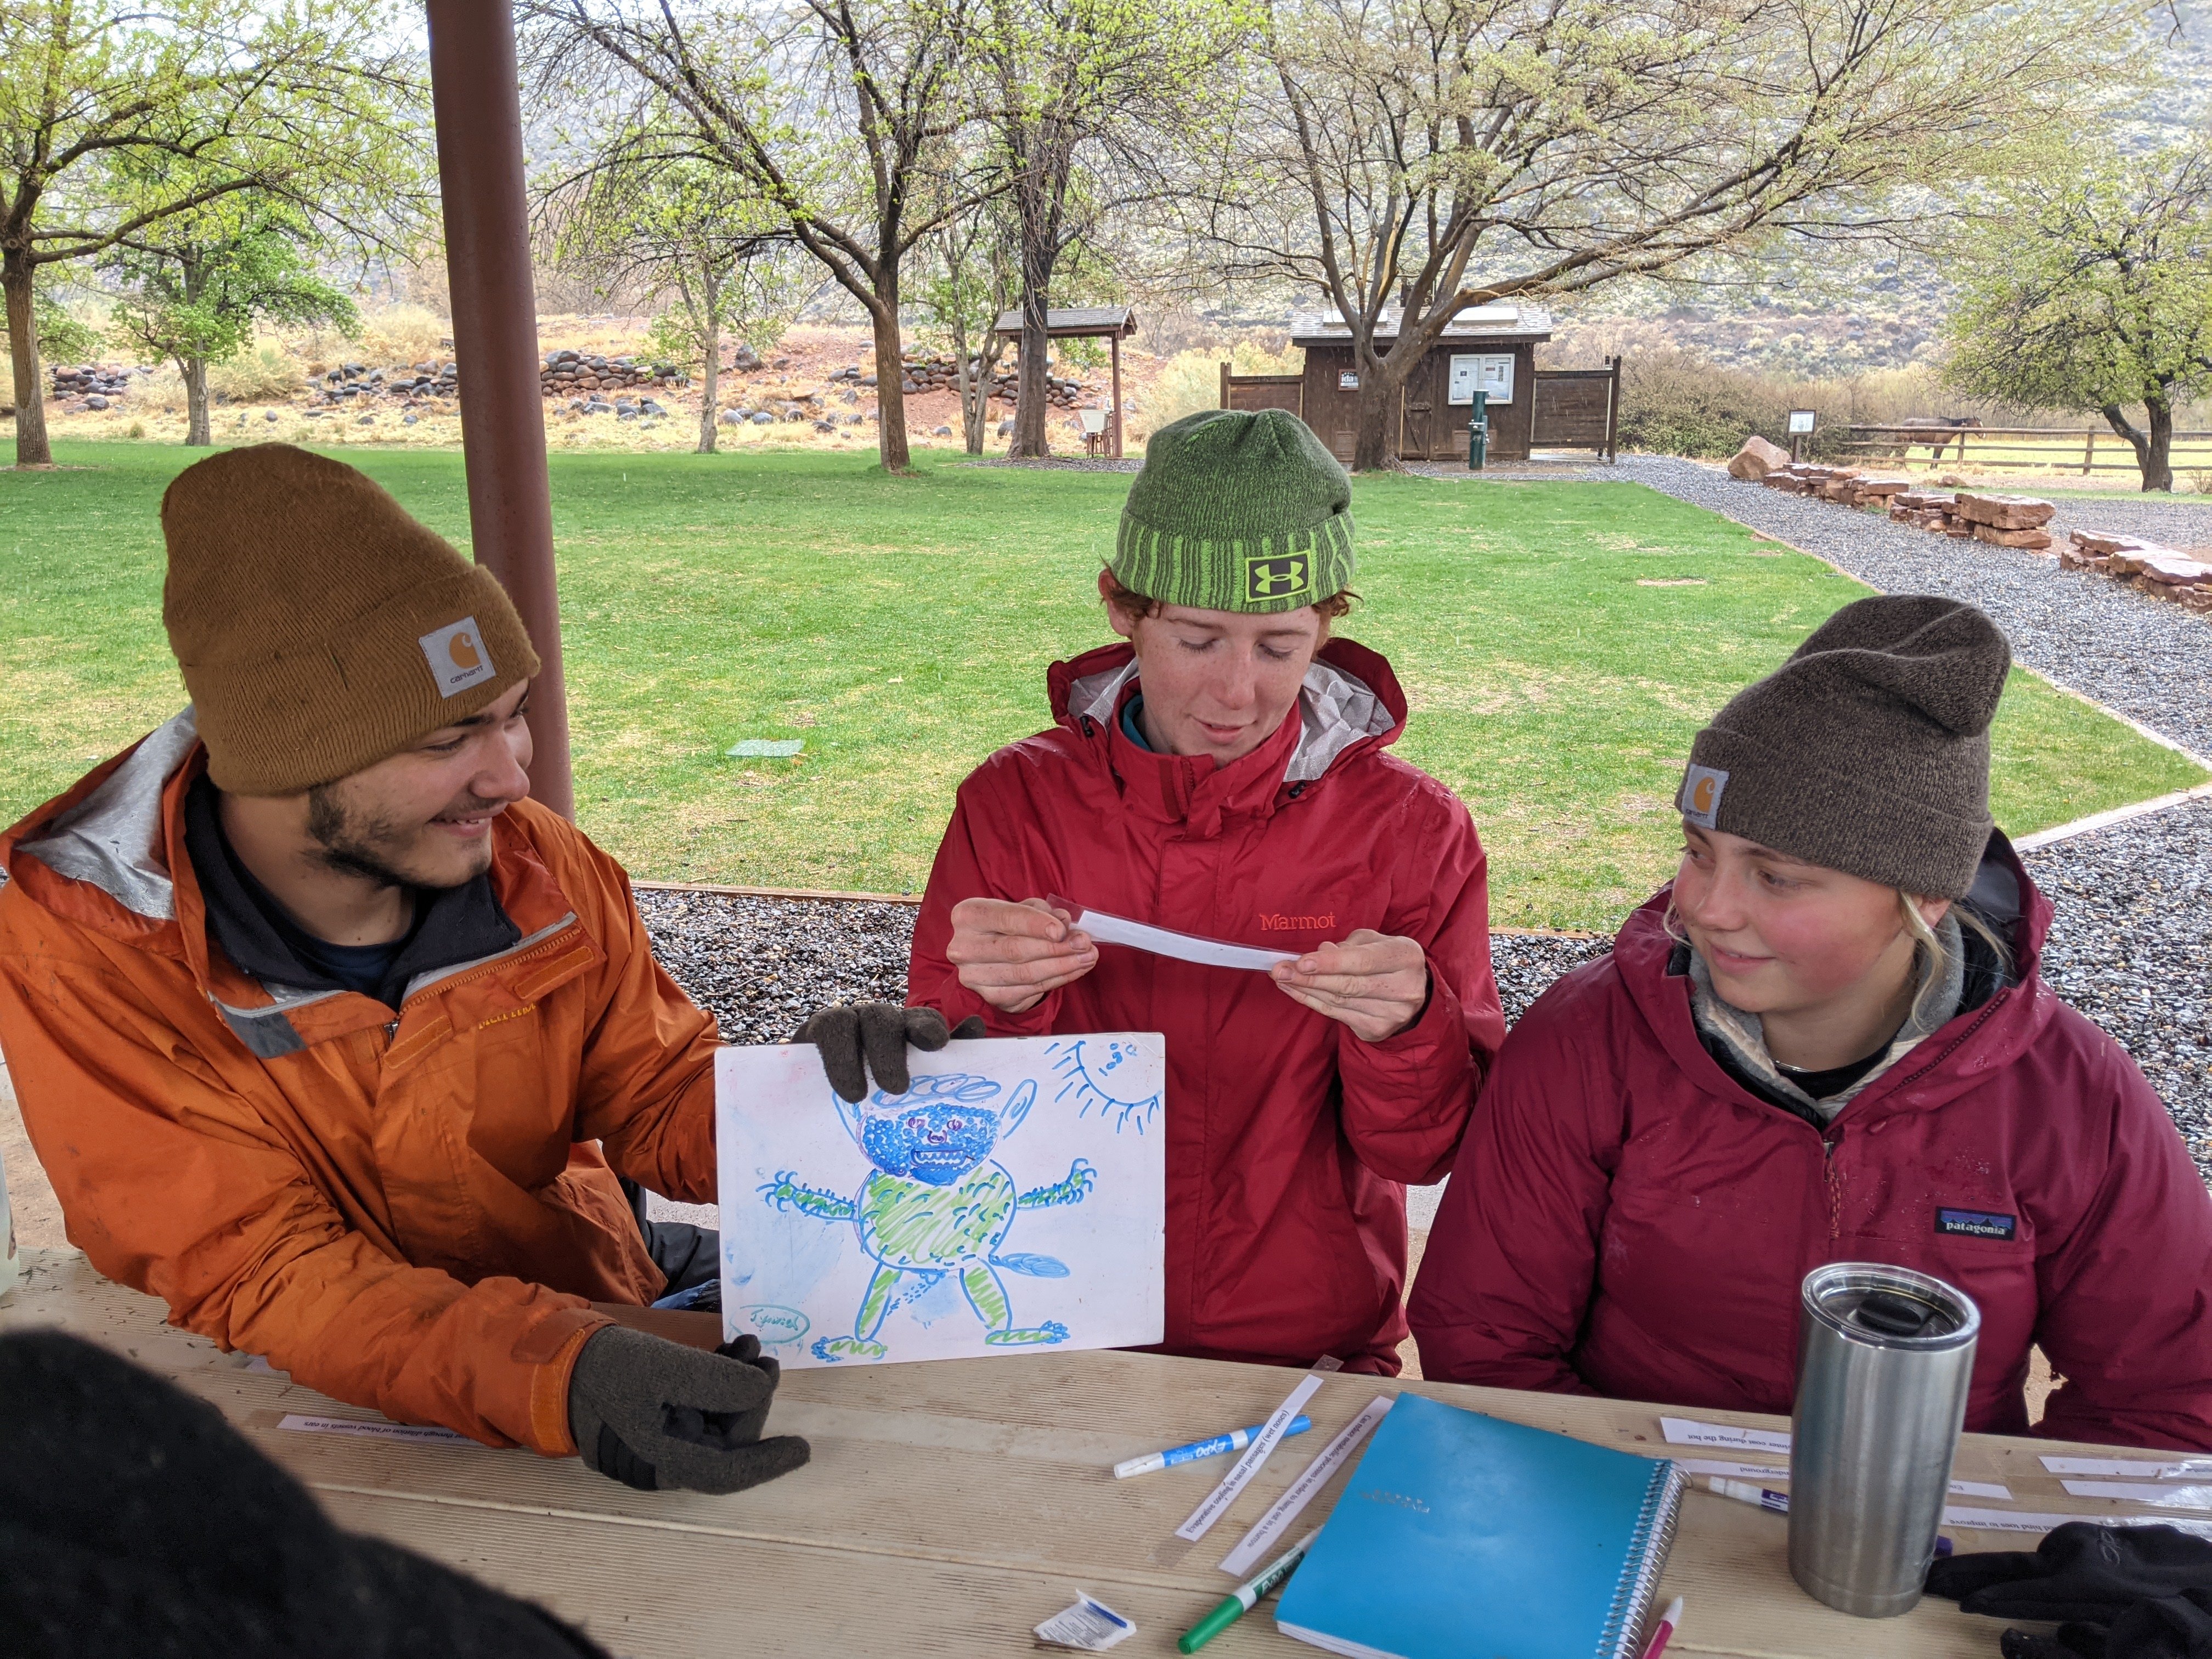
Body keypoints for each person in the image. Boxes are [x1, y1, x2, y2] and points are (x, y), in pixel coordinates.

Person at [0, 445, 949, 1493]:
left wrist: (820, 1108)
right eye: (453, 736)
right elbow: (260, 1265)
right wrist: (553, 1376)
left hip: (608, 1312)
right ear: (286, 756)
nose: (510, 774)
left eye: (512, 714)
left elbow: (652, 1091)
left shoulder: (539, 864)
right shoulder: (89, 947)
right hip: (310, 1413)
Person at [1408, 594, 2212, 1448]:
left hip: (1927, 1542)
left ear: (1924, 896)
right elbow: (1485, 1337)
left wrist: (2015, 1545)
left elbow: (2167, 1396)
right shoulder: (1585, 1043)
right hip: (1626, 1502)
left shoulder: (2072, 1096)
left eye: (1777, 876)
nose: (1707, 909)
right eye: (1698, 851)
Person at [906, 409, 1507, 1374]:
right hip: (1050, 1320)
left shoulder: (1412, 831)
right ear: (1121, 607)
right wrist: (991, 1003)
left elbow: (1424, 1153)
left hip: (1308, 1341)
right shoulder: (1015, 801)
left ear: (1328, 625)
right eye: (1196, 639)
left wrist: (1408, 1029)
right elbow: (947, 1111)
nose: (1236, 694)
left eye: (1280, 646)